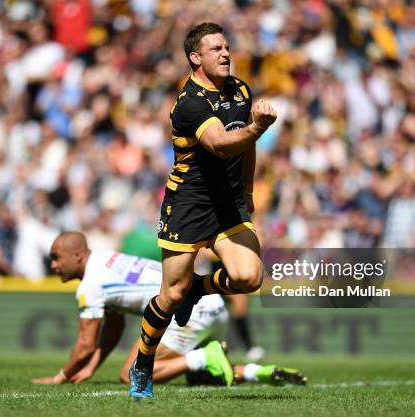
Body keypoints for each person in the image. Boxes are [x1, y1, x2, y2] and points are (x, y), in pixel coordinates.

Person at [130, 22, 277, 399]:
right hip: (188, 206)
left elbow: (244, 150)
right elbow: (222, 145)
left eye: (227, 46)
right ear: (196, 58)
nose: (226, 53)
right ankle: (143, 365)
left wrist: (247, 191)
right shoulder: (190, 103)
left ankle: (202, 286)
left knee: (249, 277)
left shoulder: (240, 90)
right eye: (216, 49)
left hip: (228, 204)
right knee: (171, 295)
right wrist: (258, 126)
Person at [31, 232, 306, 388]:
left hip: (187, 309)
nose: (53, 266)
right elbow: (113, 328)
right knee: (200, 379)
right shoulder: (107, 259)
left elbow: (85, 344)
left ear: (77, 255)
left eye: (56, 258)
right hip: (210, 303)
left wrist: (61, 376)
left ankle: (205, 356)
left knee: (131, 374)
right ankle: (257, 372)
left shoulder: (90, 285)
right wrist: (91, 368)